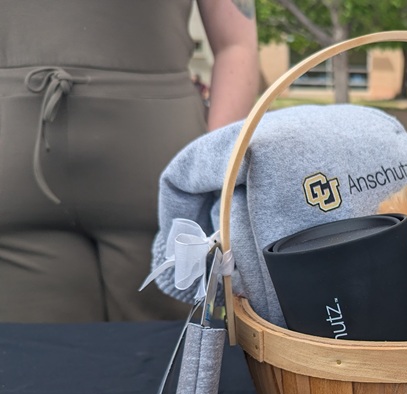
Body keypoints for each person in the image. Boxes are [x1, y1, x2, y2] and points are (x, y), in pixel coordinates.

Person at [0, 0, 259, 322]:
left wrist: (210, 167)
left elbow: (235, 47)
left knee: (42, 355)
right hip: (158, 151)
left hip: (18, 152)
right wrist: (210, 167)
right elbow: (235, 44)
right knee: (164, 356)